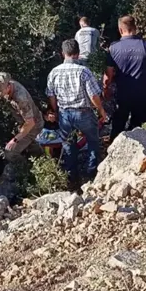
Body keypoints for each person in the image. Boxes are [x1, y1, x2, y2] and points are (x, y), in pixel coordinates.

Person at [46, 39, 107, 187]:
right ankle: (91, 174)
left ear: (63, 54)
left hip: (65, 114)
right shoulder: (83, 71)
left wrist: (55, 111)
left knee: (68, 145)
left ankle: (72, 178)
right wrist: (101, 111)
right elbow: (93, 95)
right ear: (78, 54)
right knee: (93, 141)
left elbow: (51, 96)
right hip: (83, 112)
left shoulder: (54, 72)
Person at [104, 15, 146, 139]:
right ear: (135, 27)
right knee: (139, 125)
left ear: (120, 30)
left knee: (118, 123)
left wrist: (106, 89)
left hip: (123, 94)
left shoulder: (114, 48)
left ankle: (114, 149)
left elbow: (108, 75)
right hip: (143, 93)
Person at [0, 72, 44, 179]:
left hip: (33, 125)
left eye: (1, 91)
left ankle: (28, 172)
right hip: (23, 124)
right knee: (30, 144)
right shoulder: (4, 85)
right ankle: (40, 157)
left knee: (10, 152)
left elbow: (30, 123)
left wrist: (15, 140)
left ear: (8, 87)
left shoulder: (21, 98)